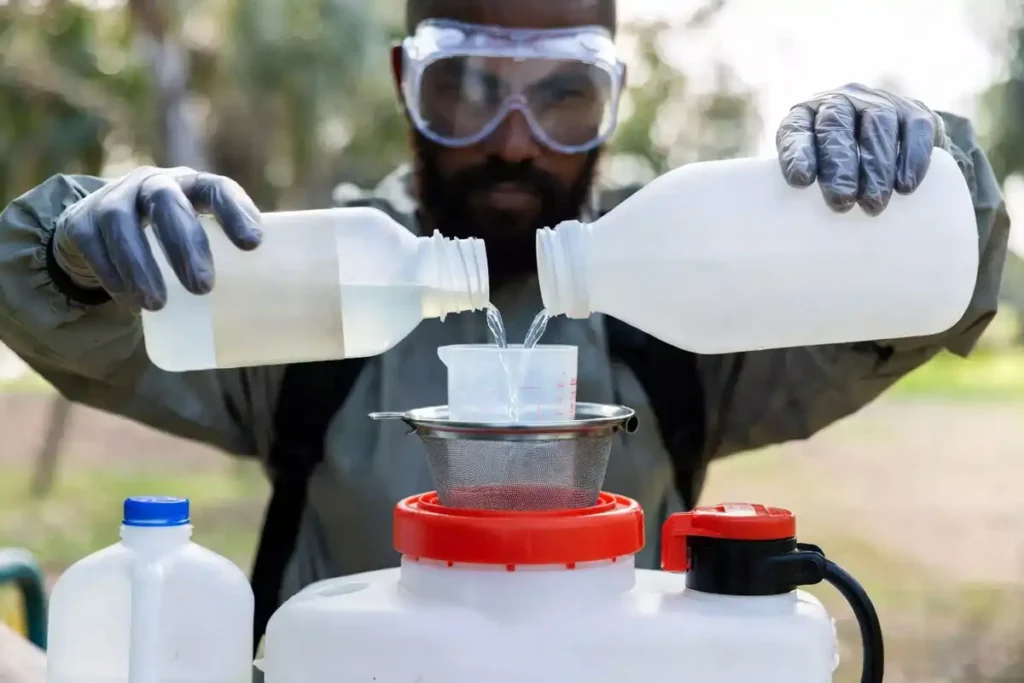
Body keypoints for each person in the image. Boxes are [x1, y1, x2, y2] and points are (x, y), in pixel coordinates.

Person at [0, 0, 1009, 664]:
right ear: (405, 81)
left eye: (565, 94)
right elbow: (80, 326)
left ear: (613, 104)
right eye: (468, 85)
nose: (515, 138)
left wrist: (920, 182)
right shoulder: (313, 296)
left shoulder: (701, 309)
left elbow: (913, 303)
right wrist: (69, 248)